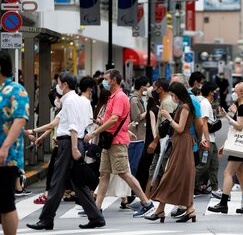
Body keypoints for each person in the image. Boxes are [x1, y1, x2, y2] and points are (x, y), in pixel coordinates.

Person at [27, 72, 104, 231]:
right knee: (78, 183)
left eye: (58, 83)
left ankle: (46, 219)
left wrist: (75, 148)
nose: (57, 86)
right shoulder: (72, 99)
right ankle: (96, 217)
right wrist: (36, 132)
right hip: (71, 143)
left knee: (57, 182)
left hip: (68, 144)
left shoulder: (69, 101)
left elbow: (73, 126)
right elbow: (55, 123)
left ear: (65, 85)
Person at [83, 69, 154, 218]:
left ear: (113, 80)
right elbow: (114, 119)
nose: (104, 82)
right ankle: (97, 209)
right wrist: (102, 122)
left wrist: (94, 133)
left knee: (124, 173)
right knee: (104, 175)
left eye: (106, 79)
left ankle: (147, 204)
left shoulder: (120, 97)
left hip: (117, 142)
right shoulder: (112, 97)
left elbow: (115, 119)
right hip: (109, 142)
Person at [145, 82, 197, 223]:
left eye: (173, 95)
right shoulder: (184, 106)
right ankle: (188, 209)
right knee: (178, 175)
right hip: (181, 143)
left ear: (178, 94)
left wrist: (168, 117)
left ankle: (161, 210)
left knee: (171, 174)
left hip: (182, 142)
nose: (172, 97)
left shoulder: (185, 107)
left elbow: (180, 128)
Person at [208, 82, 243, 214]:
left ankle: (223, 203)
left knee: (227, 173)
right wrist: (226, 145)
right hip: (240, 145)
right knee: (240, 174)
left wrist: (227, 117)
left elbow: (240, 126)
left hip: (239, 146)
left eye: (235, 91)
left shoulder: (242, 107)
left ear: (242, 93)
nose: (233, 93)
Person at [0, 51, 29, 235]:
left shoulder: (17, 90)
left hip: (6, 157)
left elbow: (20, 120)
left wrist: (4, 147)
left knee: (5, 202)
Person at [145, 78, 176, 197]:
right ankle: (148, 199)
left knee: (163, 172)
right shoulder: (165, 101)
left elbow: (165, 127)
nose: (152, 90)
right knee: (155, 171)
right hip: (163, 143)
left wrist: (154, 142)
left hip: (165, 144)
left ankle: (161, 199)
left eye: (154, 87)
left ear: (160, 89)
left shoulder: (167, 102)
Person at [195, 81, 220, 195]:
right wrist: (207, 140)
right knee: (203, 165)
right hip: (207, 140)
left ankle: (215, 188)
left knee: (214, 165)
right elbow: (203, 123)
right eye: (215, 91)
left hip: (211, 140)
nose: (216, 93)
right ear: (210, 92)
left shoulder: (208, 103)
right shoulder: (205, 103)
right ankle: (188, 184)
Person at [128, 76, 149, 177]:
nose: (148, 90)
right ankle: (131, 189)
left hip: (139, 136)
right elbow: (136, 117)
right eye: (147, 87)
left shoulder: (139, 99)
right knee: (134, 164)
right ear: (142, 87)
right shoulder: (134, 100)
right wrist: (148, 111)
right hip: (136, 137)